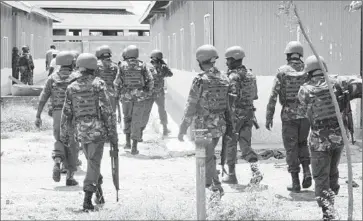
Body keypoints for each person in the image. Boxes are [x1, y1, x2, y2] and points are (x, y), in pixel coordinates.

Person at [297, 55, 362, 220]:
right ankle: (331, 204)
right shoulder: (338, 83)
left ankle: (327, 213)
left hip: (319, 142)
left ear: (309, 71)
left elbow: (301, 112)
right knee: (333, 173)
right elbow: (358, 85)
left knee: (320, 176)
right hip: (339, 139)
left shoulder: (306, 89)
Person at [60, 53, 118, 211]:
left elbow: (66, 113)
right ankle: (87, 199)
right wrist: (113, 134)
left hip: (81, 132)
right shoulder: (98, 84)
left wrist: (64, 135)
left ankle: (98, 194)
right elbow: (107, 111)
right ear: (93, 67)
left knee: (92, 163)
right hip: (97, 131)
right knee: (93, 163)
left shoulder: (72, 87)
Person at [178, 44, 234, 198]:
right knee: (209, 155)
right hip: (219, 125)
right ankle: (208, 182)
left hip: (203, 127)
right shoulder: (224, 77)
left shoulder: (200, 79)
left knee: (206, 156)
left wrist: (183, 127)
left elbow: (191, 105)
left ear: (200, 60)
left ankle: (216, 188)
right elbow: (229, 104)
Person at [265, 41, 311, 192]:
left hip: (288, 115)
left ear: (288, 55)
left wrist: (269, 116)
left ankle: (295, 182)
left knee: (291, 148)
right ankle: (307, 172)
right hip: (305, 115)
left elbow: (273, 95)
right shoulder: (308, 70)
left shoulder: (282, 71)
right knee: (303, 143)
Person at [35, 51, 79, 186]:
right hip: (73, 114)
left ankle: (58, 160)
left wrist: (38, 116)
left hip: (57, 113)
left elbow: (43, 97)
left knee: (59, 139)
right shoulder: (76, 77)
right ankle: (70, 177)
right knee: (72, 143)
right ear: (72, 63)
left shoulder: (52, 78)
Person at [220, 46, 263, 185]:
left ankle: (231, 175)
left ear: (233, 60)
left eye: (228, 60)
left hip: (235, 114)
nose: (226, 63)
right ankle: (256, 171)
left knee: (230, 143)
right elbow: (255, 95)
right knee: (245, 144)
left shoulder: (233, 76)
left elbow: (230, 97)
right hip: (249, 113)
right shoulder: (251, 75)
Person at [114, 45, 154, 155]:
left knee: (127, 118)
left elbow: (117, 82)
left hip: (126, 96)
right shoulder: (142, 65)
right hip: (140, 96)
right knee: (137, 120)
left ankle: (127, 142)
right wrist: (147, 92)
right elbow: (150, 80)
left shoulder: (122, 65)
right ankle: (134, 147)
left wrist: (117, 95)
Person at [141, 49, 173, 140]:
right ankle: (165, 129)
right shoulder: (163, 67)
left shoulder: (146, 65)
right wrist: (164, 65)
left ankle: (140, 131)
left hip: (149, 93)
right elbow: (170, 74)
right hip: (159, 93)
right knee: (162, 110)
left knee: (146, 111)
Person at [95, 45, 119, 113]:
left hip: (99, 93)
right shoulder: (115, 66)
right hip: (112, 93)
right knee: (112, 114)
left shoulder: (95, 65)